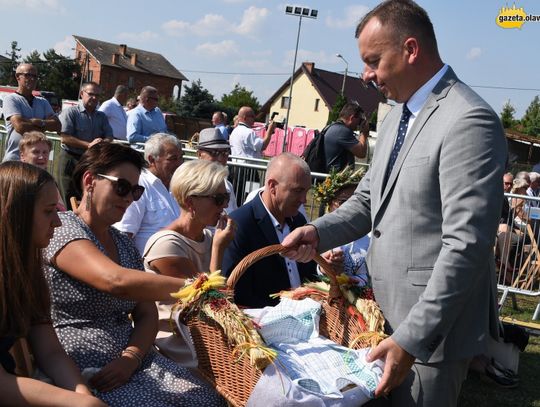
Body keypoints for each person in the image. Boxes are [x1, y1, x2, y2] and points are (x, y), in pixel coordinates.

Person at [282, 1, 507, 405]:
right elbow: (369, 201)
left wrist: (412, 338)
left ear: (410, 49)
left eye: (373, 61)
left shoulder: (469, 121)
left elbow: (466, 245)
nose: (366, 75)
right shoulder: (395, 118)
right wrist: (318, 230)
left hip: (428, 339)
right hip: (378, 318)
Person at [42, 141, 225, 406]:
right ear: (90, 181)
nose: (128, 198)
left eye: (136, 191)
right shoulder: (64, 229)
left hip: (133, 361)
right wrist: (195, 286)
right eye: (122, 187)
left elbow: (146, 313)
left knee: (209, 399)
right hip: (82, 366)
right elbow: (114, 281)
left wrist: (131, 357)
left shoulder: (123, 243)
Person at [0, 161, 105, 407]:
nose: (58, 222)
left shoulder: (28, 272)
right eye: (48, 211)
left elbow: (50, 352)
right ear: (16, 213)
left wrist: (83, 394)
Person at [143, 160, 235, 362]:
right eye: (218, 199)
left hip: (203, 338)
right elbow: (207, 304)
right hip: (175, 346)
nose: (226, 205)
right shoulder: (166, 244)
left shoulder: (209, 237)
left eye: (226, 197)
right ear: (190, 202)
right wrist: (219, 250)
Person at [222, 153, 317, 308]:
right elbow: (236, 292)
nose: (304, 200)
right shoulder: (239, 224)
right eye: (298, 190)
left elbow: (308, 272)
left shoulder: (299, 221)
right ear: (272, 186)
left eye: (306, 191)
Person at [114, 133, 183, 255]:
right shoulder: (139, 185)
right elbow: (123, 236)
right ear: (152, 160)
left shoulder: (178, 184)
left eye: (180, 158)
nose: (179, 164)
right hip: (148, 265)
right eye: (172, 159)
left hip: (179, 256)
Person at [58, 82, 113, 202]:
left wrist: (102, 143)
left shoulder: (101, 117)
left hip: (90, 160)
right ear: (82, 94)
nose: (94, 98)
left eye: (97, 95)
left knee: (86, 197)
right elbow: (65, 137)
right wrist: (89, 145)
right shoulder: (71, 113)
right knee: (68, 196)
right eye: (91, 94)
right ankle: (66, 221)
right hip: (70, 159)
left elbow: (109, 136)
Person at [316, 167, 371, 286]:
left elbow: (367, 277)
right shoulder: (318, 234)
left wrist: (346, 279)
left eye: (355, 203)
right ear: (330, 204)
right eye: (344, 202)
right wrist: (323, 268)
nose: (350, 209)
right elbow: (306, 270)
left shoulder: (368, 239)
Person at [2, 63, 61, 162]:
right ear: (18, 77)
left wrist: (39, 122)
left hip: (37, 162)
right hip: (15, 160)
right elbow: (20, 126)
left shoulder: (43, 101)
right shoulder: (11, 99)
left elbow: (57, 125)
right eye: (28, 75)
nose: (32, 79)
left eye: (35, 76)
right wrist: (44, 126)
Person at [196, 127, 238, 214]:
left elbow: (234, 214)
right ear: (200, 154)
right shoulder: (190, 184)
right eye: (214, 153)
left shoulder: (228, 185)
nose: (220, 158)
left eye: (224, 153)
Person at [324, 102, 368, 172]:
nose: (359, 124)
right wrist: (364, 133)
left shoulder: (332, 126)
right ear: (352, 118)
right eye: (359, 120)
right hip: (335, 178)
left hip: (331, 176)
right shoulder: (342, 131)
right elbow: (361, 153)